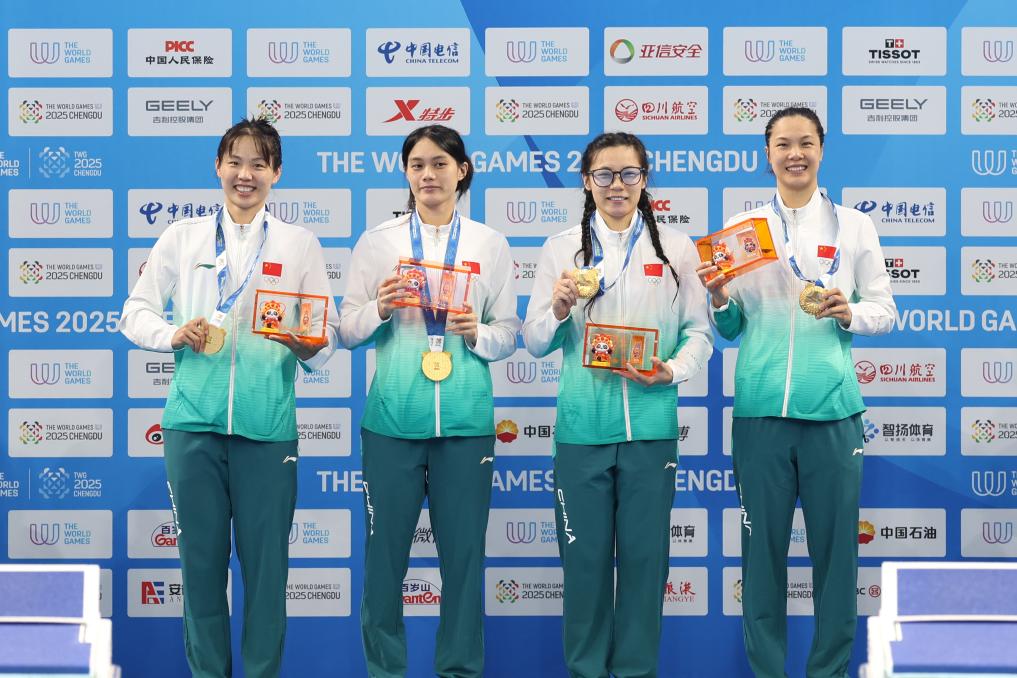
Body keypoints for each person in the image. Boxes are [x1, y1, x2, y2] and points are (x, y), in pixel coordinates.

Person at [121, 117, 338, 678]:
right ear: (218, 167)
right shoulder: (183, 236)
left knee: (267, 575)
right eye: (236, 162)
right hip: (192, 425)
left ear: (276, 173)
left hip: (268, 430)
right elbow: (135, 311)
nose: (246, 174)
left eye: (259, 164)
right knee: (199, 570)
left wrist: (303, 342)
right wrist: (172, 333)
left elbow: (326, 339)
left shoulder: (299, 243)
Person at [696, 107, 895, 677]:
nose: (795, 154)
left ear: (821, 150)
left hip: (833, 413)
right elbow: (732, 328)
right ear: (768, 153)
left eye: (805, 142)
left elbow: (885, 310)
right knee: (761, 558)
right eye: (783, 144)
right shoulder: (743, 229)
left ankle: (829, 671)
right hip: (761, 415)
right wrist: (718, 299)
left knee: (837, 559)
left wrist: (849, 311)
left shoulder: (853, 226)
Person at [522, 132, 713, 678]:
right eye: (604, 174)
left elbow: (699, 333)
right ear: (587, 181)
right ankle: (586, 671)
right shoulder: (562, 249)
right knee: (583, 567)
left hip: (651, 430)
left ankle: (634, 671)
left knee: (645, 566)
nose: (617, 185)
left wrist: (670, 370)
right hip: (582, 431)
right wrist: (559, 310)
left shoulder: (675, 248)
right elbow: (534, 340)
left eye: (629, 174)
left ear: (644, 179)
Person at [339, 124, 519, 678]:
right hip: (392, 424)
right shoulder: (378, 243)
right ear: (406, 173)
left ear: (462, 171)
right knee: (384, 561)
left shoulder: (489, 243)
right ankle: (385, 671)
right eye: (417, 164)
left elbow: (508, 333)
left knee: (463, 563)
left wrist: (476, 333)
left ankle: (459, 670)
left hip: (465, 426)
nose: (428, 174)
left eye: (440, 163)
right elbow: (345, 330)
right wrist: (380, 309)